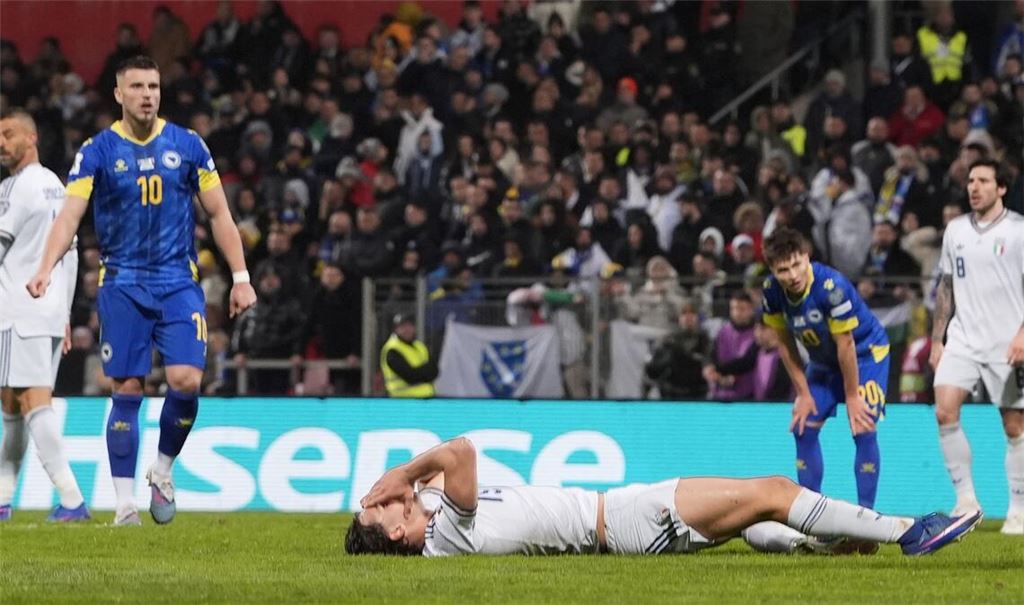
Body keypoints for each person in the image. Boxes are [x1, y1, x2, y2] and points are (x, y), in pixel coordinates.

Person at [27, 56, 257, 526]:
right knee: (127, 388)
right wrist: (45, 268)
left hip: (178, 282)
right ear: (119, 94)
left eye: (153, 85)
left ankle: (163, 470)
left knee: (187, 382)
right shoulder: (96, 151)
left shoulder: (189, 146)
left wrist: (240, 277)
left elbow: (218, 215)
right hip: (124, 283)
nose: (147, 94)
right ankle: (125, 504)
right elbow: (70, 216)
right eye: (137, 86)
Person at [345, 437, 981, 557]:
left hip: (619, 519)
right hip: (621, 519)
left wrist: (407, 485)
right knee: (773, 490)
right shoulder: (447, 534)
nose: (385, 494)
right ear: (399, 531)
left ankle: (820, 548)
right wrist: (404, 471)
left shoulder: (437, 525)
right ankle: (907, 533)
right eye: (379, 505)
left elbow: (438, 477)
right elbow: (457, 451)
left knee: (753, 514)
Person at [760, 228, 891, 510]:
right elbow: (784, 344)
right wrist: (803, 393)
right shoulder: (771, 292)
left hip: (866, 354)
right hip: (823, 363)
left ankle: (866, 516)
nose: (793, 275)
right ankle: (812, 515)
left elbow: (846, 345)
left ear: (807, 257)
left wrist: (853, 397)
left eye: (797, 264)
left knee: (863, 426)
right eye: (783, 270)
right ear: (772, 269)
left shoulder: (832, 288)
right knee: (802, 428)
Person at [0, 109, 89, 522]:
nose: (1, 142)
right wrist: (66, 314)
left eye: (9, 134)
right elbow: (69, 255)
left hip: (18, 313)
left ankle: (72, 500)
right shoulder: (56, 185)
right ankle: (2, 499)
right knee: (13, 407)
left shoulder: (18, 189)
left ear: (31, 138)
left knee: (34, 403)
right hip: (47, 311)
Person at [928, 159, 1024, 536]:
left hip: (1008, 344)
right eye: (970, 180)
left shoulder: (1018, 231)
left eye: (983, 181)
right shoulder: (955, 231)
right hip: (963, 340)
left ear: (1001, 188)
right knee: (943, 412)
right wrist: (939, 339)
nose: (974, 187)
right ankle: (967, 502)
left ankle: (1018, 508)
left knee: (1014, 425)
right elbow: (946, 287)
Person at [380, 313, 437, 398]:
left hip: (427, 398)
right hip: (403, 400)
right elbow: (409, 376)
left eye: (409, 326)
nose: (407, 330)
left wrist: (418, 372)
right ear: (396, 329)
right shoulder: (392, 349)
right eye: (403, 327)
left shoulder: (419, 346)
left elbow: (434, 371)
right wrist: (424, 372)